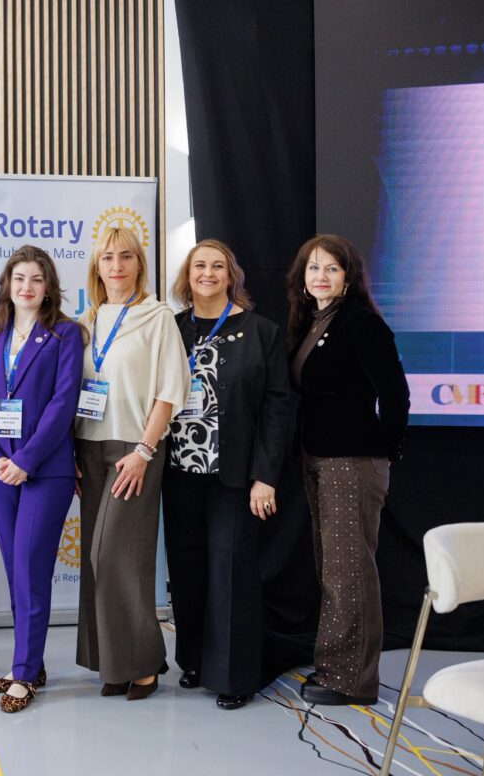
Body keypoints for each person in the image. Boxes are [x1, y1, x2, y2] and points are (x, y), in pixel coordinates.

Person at [162, 240, 295, 710]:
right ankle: (195, 660)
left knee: (231, 570)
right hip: (178, 472)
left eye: (218, 266)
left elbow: (278, 409)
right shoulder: (172, 329)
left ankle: (235, 676)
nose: (208, 273)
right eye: (199, 265)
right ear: (187, 275)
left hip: (235, 475)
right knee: (188, 571)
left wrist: (266, 477)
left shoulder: (260, 332)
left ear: (231, 276)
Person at [286, 234, 409, 706]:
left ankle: (351, 681)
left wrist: (385, 453)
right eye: (314, 268)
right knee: (334, 569)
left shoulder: (360, 323)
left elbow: (395, 394)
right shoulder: (314, 321)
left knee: (348, 572)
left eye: (332, 269)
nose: (321, 276)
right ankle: (334, 667)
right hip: (320, 458)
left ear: (348, 277)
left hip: (351, 462)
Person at [0, 246, 85, 712]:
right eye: (19, 278)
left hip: (44, 471)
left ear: (48, 286)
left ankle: (24, 672)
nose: (27, 287)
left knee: (31, 566)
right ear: (7, 285)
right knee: (18, 569)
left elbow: (63, 403)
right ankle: (29, 664)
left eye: (36, 279)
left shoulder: (64, 334)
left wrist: (26, 460)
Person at [74, 225, 188, 701]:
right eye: (107, 257)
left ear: (140, 263)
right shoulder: (85, 321)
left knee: (117, 556)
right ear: (96, 266)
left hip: (134, 448)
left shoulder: (157, 317)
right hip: (88, 447)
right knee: (96, 559)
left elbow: (169, 390)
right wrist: (69, 452)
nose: (116, 265)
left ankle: (143, 662)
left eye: (125, 256)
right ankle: (113, 663)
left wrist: (144, 451)